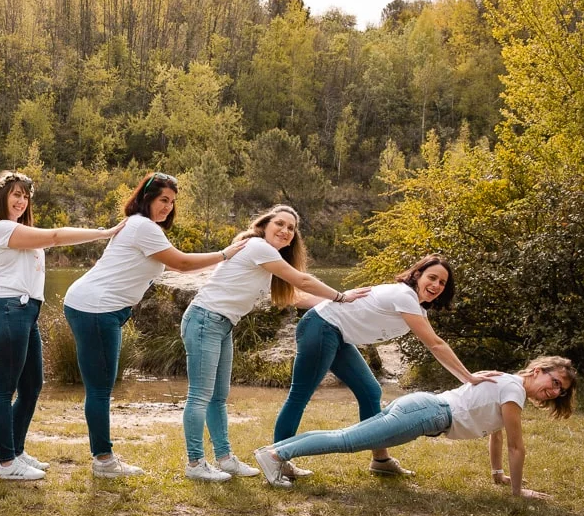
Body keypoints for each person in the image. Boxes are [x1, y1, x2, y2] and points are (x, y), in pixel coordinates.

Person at [62, 172, 247, 478]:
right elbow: (182, 263)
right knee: (100, 389)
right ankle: (104, 461)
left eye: (172, 202)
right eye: (163, 200)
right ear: (146, 198)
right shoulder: (141, 226)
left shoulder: (144, 228)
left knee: (100, 387)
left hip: (96, 307)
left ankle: (103, 458)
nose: (168, 208)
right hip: (96, 309)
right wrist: (225, 254)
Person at [179, 205, 371, 482]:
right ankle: (195, 463)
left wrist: (343, 305)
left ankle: (224, 458)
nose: (285, 231)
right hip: (205, 320)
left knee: (218, 396)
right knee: (200, 395)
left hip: (221, 324)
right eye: (280, 224)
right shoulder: (257, 246)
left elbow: (294, 296)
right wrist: (342, 296)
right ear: (264, 225)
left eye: (291, 228)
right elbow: (302, 280)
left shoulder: (265, 258)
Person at [272, 254, 496, 479]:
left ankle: (380, 460)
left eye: (442, 282)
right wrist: (468, 378)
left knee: (370, 391)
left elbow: (434, 343)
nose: (436, 285)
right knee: (300, 395)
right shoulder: (405, 295)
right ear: (417, 275)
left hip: (338, 334)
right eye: (432, 277)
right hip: (321, 327)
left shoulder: (417, 307)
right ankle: (277, 458)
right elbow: (436, 344)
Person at [255, 356, 575, 495]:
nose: (556, 390)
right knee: (348, 440)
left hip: (423, 409)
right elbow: (517, 446)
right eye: (555, 380)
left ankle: (275, 453)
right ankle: (274, 455)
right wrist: (518, 492)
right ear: (538, 370)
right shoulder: (513, 389)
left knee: (349, 437)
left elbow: (496, 433)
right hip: (427, 413)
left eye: (561, 390)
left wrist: (497, 476)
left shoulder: (508, 384)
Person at [0, 171, 124, 481]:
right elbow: (56, 237)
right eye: (15, 194)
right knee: (3, 392)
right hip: (7, 309)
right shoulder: (1, 229)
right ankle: (6, 463)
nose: (21, 200)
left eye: (25, 195)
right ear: (2, 197)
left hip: (26, 311)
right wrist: (105, 232)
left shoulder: (19, 229)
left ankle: (16, 451)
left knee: (32, 387)